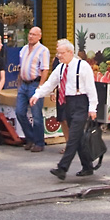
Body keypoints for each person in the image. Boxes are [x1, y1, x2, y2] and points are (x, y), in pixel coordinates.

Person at [30, 39, 99, 181]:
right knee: (78, 138)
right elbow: (50, 83)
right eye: (58, 53)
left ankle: (62, 168)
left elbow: (91, 88)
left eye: (61, 53)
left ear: (70, 52)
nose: (59, 56)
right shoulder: (61, 68)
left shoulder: (83, 66)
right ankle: (88, 167)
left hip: (81, 102)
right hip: (68, 103)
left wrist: (93, 108)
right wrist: (37, 95)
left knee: (72, 137)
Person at [15, 26, 50, 153]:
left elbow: (45, 69)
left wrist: (41, 86)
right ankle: (30, 138)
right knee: (19, 112)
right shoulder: (24, 49)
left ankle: (39, 142)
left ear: (39, 36)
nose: (31, 36)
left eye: (34, 34)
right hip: (23, 85)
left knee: (36, 115)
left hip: (35, 84)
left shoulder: (43, 50)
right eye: (30, 34)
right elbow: (21, 67)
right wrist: (19, 83)